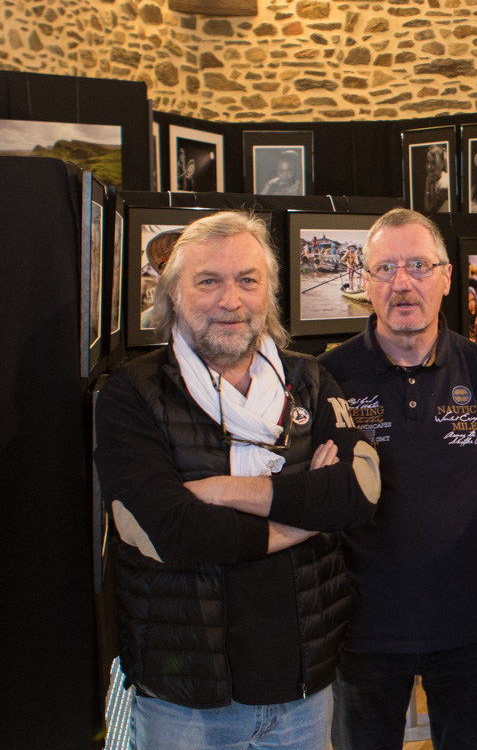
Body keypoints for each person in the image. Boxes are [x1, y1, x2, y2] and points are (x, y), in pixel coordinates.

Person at [93, 212, 382, 749]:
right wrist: (305, 517)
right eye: (209, 281)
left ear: (268, 292)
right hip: (185, 699)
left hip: (303, 689)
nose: (231, 300)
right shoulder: (132, 394)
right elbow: (178, 533)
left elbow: (356, 496)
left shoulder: (309, 379)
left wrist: (223, 491)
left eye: (248, 280)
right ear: (174, 293)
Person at [319, 208, 477, 750]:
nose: (402, 283)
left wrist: (467, 558)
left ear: (446, 277)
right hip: (362, 627)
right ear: (366, 282)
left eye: (418, 265)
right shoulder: (329, 377)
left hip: (468, 621)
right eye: (385, 268)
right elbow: (319, 500)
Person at [423, 144, 450, 213]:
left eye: (433, 163)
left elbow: (428, 211)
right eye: (427, 162)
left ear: (442, 164)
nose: (429, 167)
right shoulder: (434, 178)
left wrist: (427, 185)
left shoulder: (445, 183)